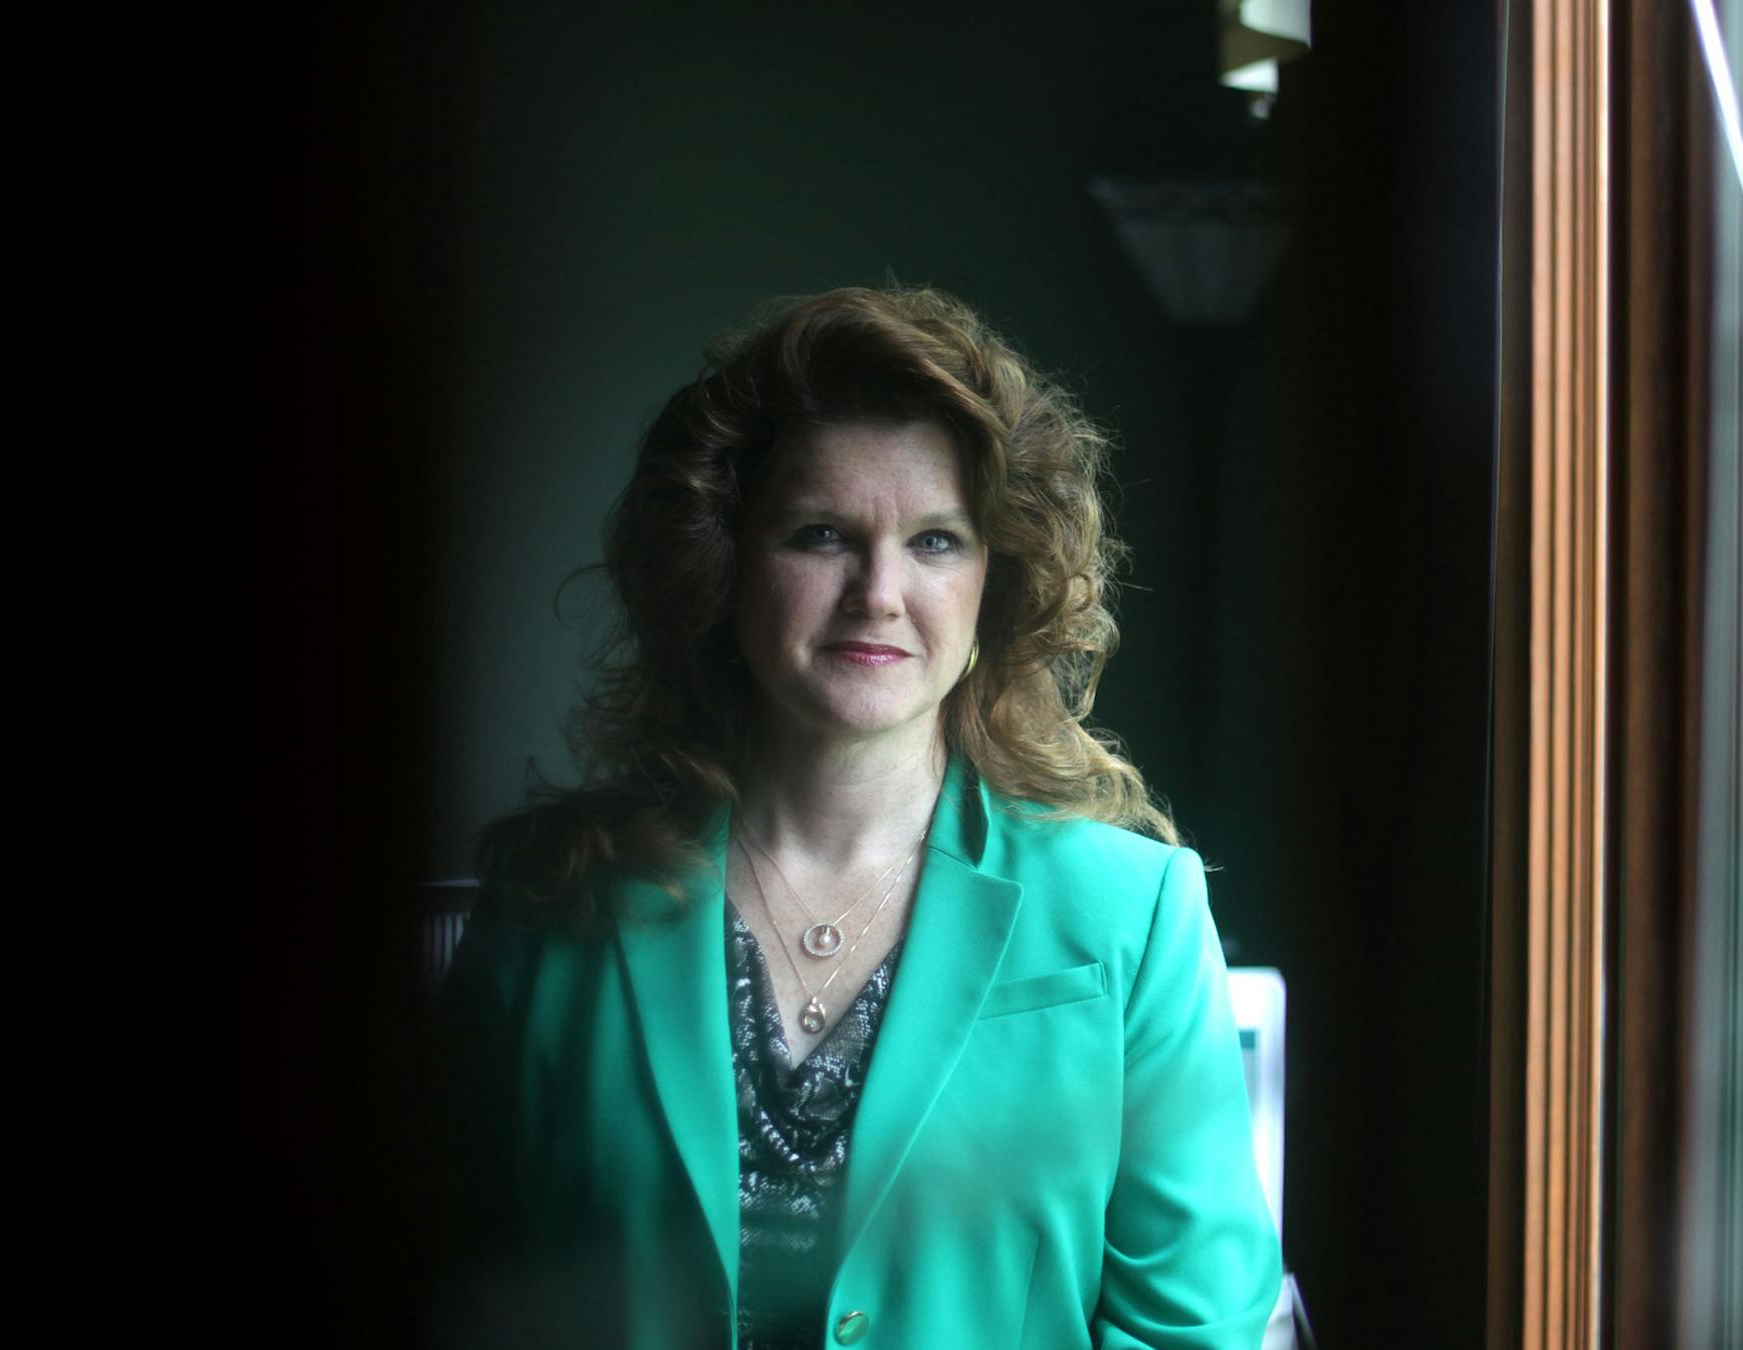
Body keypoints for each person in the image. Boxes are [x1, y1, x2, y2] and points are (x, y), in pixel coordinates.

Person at [434, 286, 1281, 1349]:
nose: (878, 591)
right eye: (821, 533)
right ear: (725, 563)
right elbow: (448, 1293)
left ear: (995, 584)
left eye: (936, 541)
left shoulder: (1134, 914)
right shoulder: (549, 899)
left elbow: (1193, 1328)